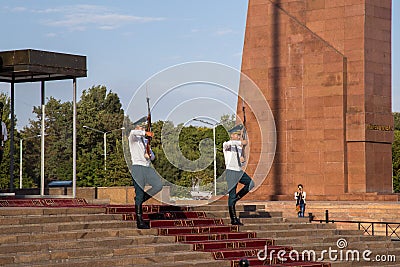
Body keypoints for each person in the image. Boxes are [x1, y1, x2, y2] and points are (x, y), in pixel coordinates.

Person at [128, 116, 163, 229]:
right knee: (139, 192)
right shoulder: (133, 138)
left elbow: (152, 157)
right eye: (141, 127)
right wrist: (146, 133)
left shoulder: (146, 141)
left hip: (147, 168)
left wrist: (149, 155)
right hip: (137, 168)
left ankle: (141, 199)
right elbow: (133, 132)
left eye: (144, 127)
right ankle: (139, 221)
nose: (142, 129)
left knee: (158, 185)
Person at [223, 124, 254, 226]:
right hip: (231, 171)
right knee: (231, 194)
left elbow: (241, 160)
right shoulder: (227, 144)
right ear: (232, 135)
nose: (238, 137)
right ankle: (234, 219)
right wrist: (243, 142)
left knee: (251, 183)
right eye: (237, 135)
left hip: (238, 171)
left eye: (239, 135)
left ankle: (236, 199)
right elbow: (239, 142)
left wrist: (243, 156)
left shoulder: (238, 147)